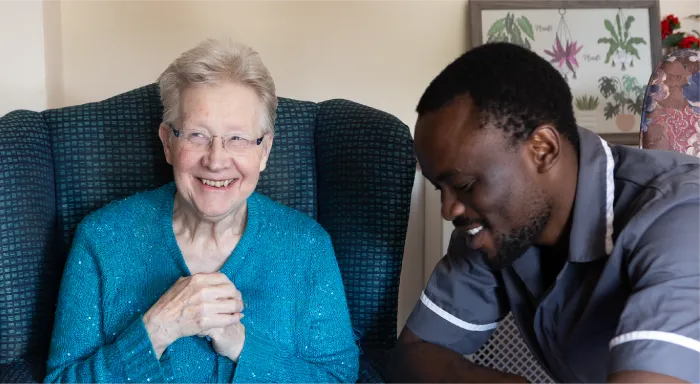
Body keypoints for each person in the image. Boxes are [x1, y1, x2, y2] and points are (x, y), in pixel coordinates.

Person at [44, 38, 359, 383]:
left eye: (237, 138)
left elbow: (339, 377)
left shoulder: (307, 247)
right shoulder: (102, 239)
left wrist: (243, 347)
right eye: (197, 135)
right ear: (167, 142)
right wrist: (156, 329)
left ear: (265, 150)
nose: (216, 160)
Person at [388, 42, 700, 384]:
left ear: (542, 150)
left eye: (463, 185)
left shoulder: (681, 218)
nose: (449, 210)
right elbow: (416, 351)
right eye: (440, 189)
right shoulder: (495, 230)